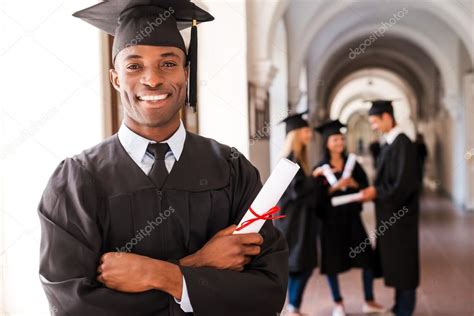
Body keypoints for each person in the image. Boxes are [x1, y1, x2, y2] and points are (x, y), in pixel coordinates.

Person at [37, 1, 288, 315]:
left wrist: (159, 275)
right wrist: (197, 267)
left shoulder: (233, 170)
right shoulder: (75, 181)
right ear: (115, 78)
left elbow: (268, 293)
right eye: (134, 65)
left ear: (186, 72)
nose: (152, 79)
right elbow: (72, 306)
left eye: (168, 63)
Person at [313, 120, 385, 316]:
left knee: (367, 258)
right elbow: (315, 198)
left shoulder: (353, 164)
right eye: (335, 139)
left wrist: (352, 182)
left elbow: (365, 186)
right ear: (327, 142)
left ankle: (369, 300)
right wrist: (333, 187)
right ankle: (338, 303)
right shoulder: (320, 168)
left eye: (341, 139)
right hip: (330, 221)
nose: (339, 143)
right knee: (332, 262)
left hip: (352, 217)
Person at [360, 100, 420, 316]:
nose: (373, 126)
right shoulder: (389, 144)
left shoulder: (403, 144)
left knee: (404, 264)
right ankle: (398, 307)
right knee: (396, 263)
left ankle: (405, 310)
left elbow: (403, 185)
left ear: (387, 117)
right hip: (389, 216)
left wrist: (376, 192)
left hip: (401, 217)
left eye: (375, 121)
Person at [274, 112, 318, 316]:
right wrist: (315, 179)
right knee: (300, 264)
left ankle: (293, 306)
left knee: (300, 264)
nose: (310, 134)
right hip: (294, 221)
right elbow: (297, 191)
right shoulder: (291, 160)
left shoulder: (299, 158)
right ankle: (292, 307)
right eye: (306, 130)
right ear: (297, 134)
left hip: (299, 219)